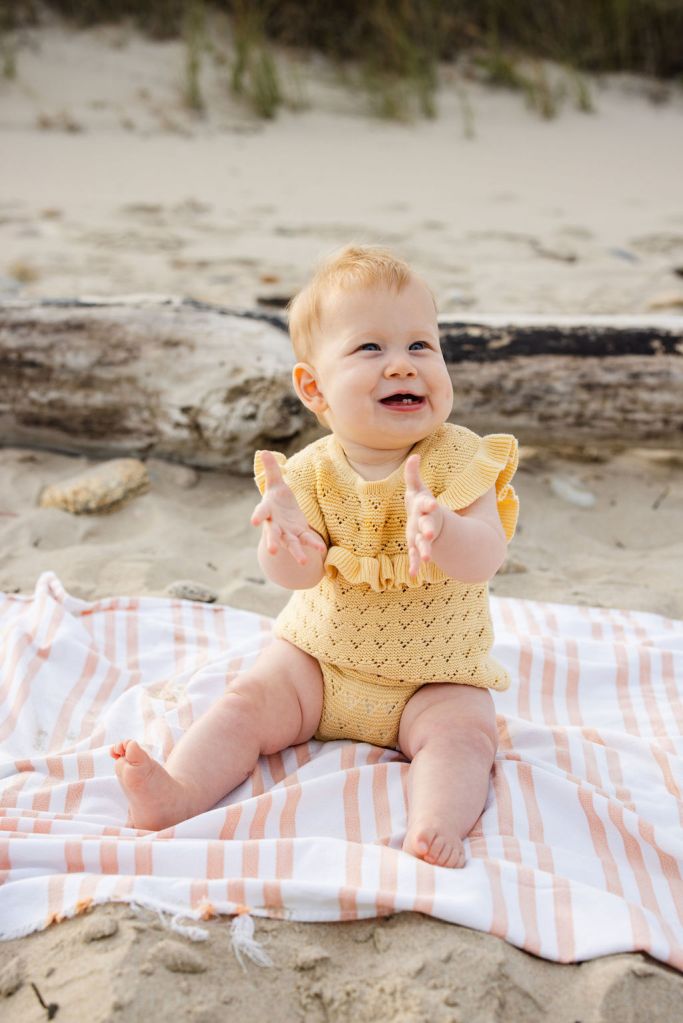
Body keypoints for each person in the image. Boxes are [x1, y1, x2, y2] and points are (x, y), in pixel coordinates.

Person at [110, 244, 519, 869]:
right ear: (314, 387)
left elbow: (484, 557)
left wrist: (443, 529)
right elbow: (296, 576)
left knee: (466, 736)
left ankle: (436, 825)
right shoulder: (307, 473)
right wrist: (284, 545)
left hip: (434, 677)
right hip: (317, 665)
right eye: (370, 348)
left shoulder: (459, 459)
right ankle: (179, 791)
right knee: (244, 703)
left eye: (421, 346)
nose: (403, 366)